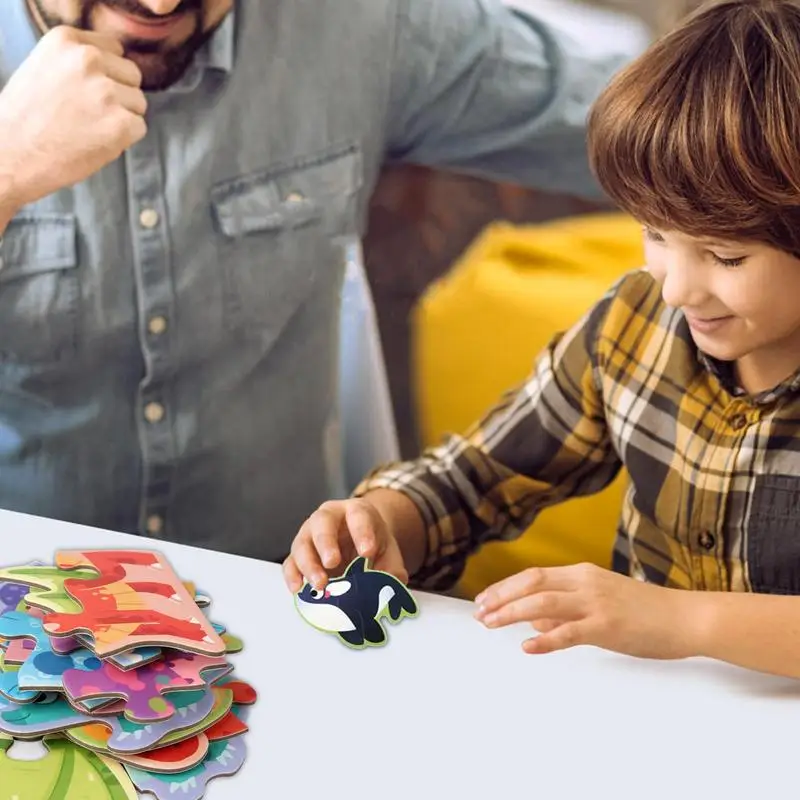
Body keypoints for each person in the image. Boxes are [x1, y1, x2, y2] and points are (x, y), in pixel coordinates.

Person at [0, 0, 638, 561]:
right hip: (21, 605)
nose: (161, 2)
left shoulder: (360, 23)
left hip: (285, 597)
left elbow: (650, 114)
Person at [284, 0, 800, 681]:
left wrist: (677, 619)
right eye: (656, 235)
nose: (677, 289)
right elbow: (476, 480)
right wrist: (383, 519)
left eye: (725, 257)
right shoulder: (636, 324)